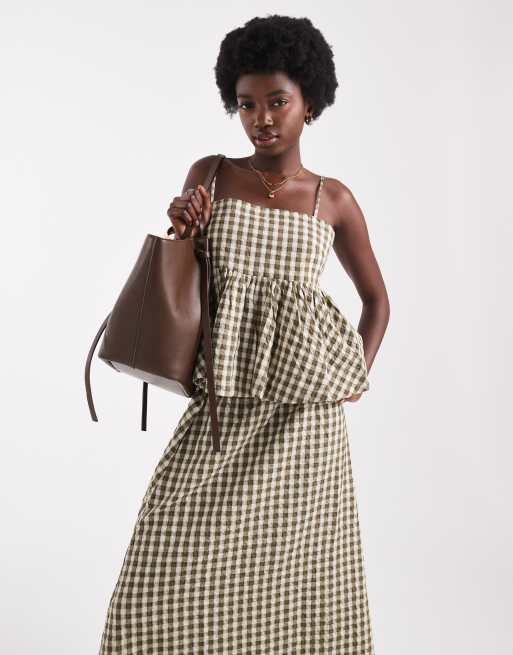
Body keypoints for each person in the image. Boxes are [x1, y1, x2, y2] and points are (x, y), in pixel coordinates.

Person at [99, 14, 389, 654]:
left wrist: (353, 377)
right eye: (247, 104)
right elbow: (184, 277)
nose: (262, 118)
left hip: (305, 425)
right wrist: (183, 227)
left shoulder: (332, 200)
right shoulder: (209, 174)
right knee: (166, 552)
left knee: (300, 581)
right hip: (222, 407)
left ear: (311, 102)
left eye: (277, 101)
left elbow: (377, 302)